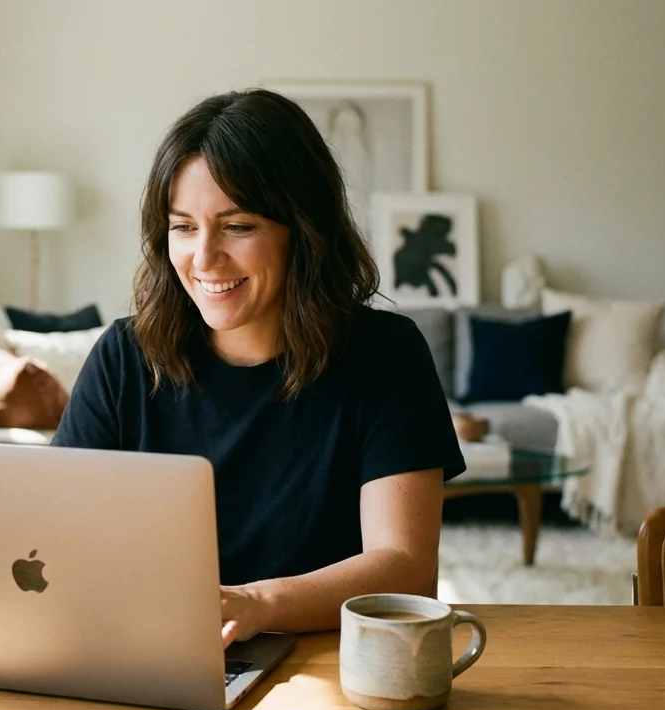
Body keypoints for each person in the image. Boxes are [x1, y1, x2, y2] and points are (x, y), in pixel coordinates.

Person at [51, 89, 465, 647]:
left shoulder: (385, 355)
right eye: (183, 227)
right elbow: (54, 537)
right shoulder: (126, 356)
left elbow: (406, 569)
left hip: (326, 663)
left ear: (303, 230)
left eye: (238, 226)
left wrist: (253, 604)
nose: (204, 258)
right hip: (153, 653)